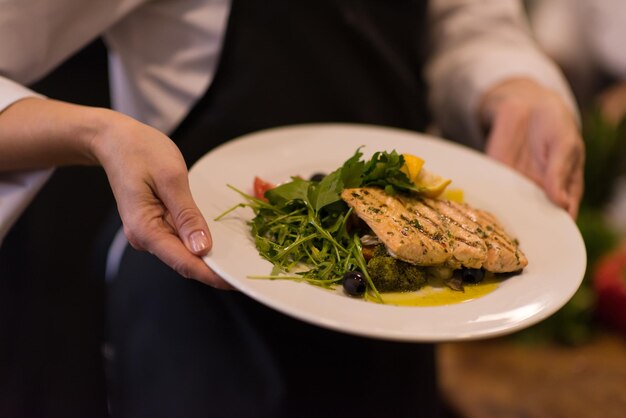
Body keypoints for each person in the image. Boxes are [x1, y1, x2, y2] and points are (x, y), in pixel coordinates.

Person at [0, 0, 584, 417]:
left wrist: (513, 84)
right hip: (201, 308)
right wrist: (97, 133)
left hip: (396, 313)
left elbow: (467, 22)